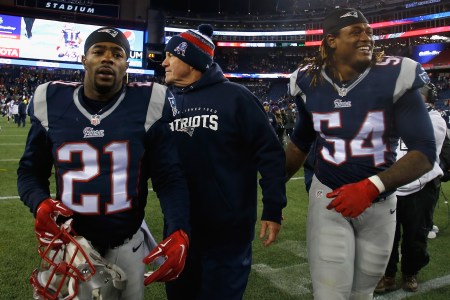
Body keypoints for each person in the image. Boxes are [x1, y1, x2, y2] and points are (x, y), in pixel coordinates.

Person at [17, 26, 190, 300]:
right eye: (98, 51)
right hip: (73, 244)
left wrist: (179, 228)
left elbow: (169, 177)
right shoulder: (51, 100)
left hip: (128, 241)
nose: (108, 58)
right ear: (84, 59)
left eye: (117, 54)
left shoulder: (148, 103)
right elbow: (29, 172)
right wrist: (39, 202)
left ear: (127, 64)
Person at [285, 8, 436, 300]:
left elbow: (424, 151)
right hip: (329, 195)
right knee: (330, 294)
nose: (367, 37)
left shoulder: (396, 74)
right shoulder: (308, 80)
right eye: (355, 32)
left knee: (362, 293)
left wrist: (370, 187)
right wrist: (273, 186)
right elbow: (301, 141)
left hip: (379, 202)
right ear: (331, 41)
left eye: (368, 31)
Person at [161, 24, 287, 299]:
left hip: (227, 233)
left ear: (191, 59)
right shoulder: (164, 102)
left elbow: (270, 154)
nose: (164, 62)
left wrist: (273, 208)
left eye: (171, 55)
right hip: (179, 227)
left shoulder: (237, 97)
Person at [375, 82, 446, 293]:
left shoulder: (435, 120)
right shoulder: (390, 116)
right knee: (387, 236)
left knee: (416, 236)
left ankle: (410, 272)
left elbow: (423, 141)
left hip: (420, 187)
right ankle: (387, 275)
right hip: (391, 187)